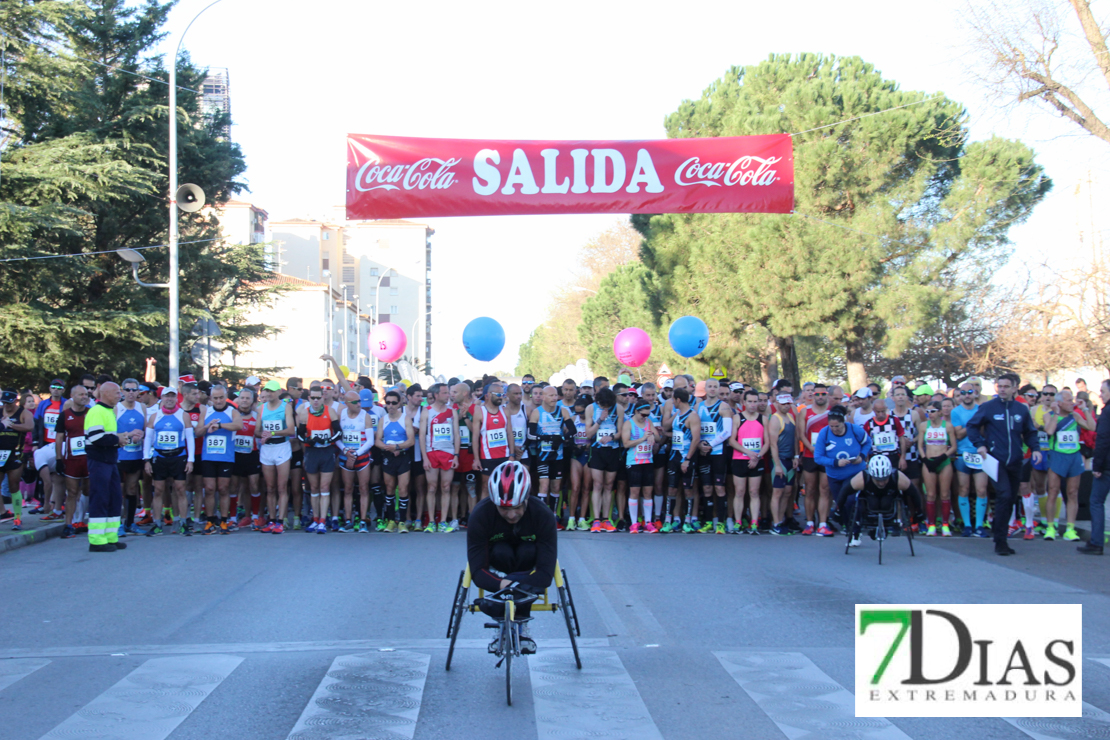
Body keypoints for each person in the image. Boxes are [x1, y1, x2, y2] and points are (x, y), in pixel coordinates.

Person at [466, 460, 556, 655]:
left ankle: (520, 623)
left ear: (526, 498)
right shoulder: (481, 515)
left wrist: (514, 588)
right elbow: (477, 570)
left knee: (527, 550)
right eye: (504, 508)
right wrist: (507, 586)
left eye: (516, 507)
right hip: (498, 564)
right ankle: (502, 622)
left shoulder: (543, 515)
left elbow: (546, 573)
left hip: (528, 563)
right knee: (501, 550)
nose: (512, 514)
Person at [967, 372, 1043, 556]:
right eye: (999, 386)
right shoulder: (989, 407)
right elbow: (972, 426)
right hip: (996, 460)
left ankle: (1001, 535)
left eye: (1006, 386)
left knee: (1010, 499)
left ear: (1015, 388)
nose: (1002, 389)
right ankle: (1000, 541)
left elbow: (1030, 432)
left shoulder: (1021, 409)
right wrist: (980, 444)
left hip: (1015, 461)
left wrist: (1036, 449)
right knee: (1004, 495)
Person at [82, 382, 130, 552]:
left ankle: (110, 537)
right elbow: (96, 437)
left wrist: (118, 439)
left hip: (109, 460)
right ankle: (96, 540)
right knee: (100, 497)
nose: (120, 396)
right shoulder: (96, 411)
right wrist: (117, 440)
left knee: (114, 498)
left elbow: (106, 436)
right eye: (117, 393)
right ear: (106, 394)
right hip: (99, 461)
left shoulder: (108, 411)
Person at [1043, 388, 1094, 542]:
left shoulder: (1075, 415)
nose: (1072, 403)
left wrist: (1085, 409)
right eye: (1068, 400)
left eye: (1072, 400)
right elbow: (1050, 431)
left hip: (1073, 456)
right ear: (1059, 403)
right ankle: (1051, 527)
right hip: (1057, 456)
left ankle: (1070, 529)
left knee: (1073, 492)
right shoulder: (1049, 415)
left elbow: (1092, 427)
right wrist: (1056, 413)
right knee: (1053, 491)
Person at [143, 387, 195, 536]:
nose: (170, 399)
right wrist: (146, 459)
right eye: (167, 396)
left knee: (180, 489)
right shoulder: (155, 416)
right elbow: (148, 439)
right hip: (160, 457)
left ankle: (183, 523)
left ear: (176, 398)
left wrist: (190, 460)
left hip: (178, 456)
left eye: (172, 396)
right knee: (158, 490)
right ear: (162, 399)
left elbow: (190, 438)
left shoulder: (183, 416)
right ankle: (157, 524)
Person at [844, 455, 924, 548]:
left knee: (887, 501)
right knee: (865, 501)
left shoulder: (898, 477)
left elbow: (914, 494)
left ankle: (888, 524)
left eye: (884, 479)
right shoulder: (862, 477)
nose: (881, 483)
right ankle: (867, 527)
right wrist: (838, 510)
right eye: (878, 480)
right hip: (870, 499)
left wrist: (918, 512)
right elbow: (844, 493)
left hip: (889, 498)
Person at [816, 405, 871, 537]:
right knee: (840, 502)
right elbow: (818, 457)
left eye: (838, 426)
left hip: (854, 473)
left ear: (843, 423)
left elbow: (867, 442)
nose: (834, 429)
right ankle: (847, 525)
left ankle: (855, 528)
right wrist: (835, 462)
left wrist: (862, 456)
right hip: (834, 475)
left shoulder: (855, 429)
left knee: (851, 500)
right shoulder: (824, 433)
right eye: (832, 426)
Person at [199, 384, 244, 535]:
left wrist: (219, 425)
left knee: (224, 488)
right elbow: (197, 432)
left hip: (226, 457)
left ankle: (224, 520)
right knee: (210, 489)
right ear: (210, 398)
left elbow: (239, 425)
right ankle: (210, 520)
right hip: (209, 457)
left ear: (225, 397)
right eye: (215, 398)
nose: (218, 401)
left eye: (221, 398)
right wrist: (207, 426)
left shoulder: (232, 411)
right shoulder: (206, 411)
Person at [296, 386, 341, 533]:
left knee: (324, 487)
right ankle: (315, 519)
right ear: (309, 398)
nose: (315, 401)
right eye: (313, 398)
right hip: (312, 453)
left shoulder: (330, 411)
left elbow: (338, 432)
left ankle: (323, 520)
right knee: (314, 487)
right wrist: (309, 440)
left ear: (323, 398)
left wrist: (327, 440)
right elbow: (300, 435)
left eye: (318, 398)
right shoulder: (304, 413)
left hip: (327, 452)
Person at [950, 382, 990, 538]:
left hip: (980, 454)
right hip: (963, 454)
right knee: (963, 489)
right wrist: (974, 422)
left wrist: (975, 423)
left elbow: (985, 432)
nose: (967, 395)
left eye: (970, 392)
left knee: (981, 489)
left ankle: (979, 525)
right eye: (964, 392)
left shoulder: (982, 410)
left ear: (975, 393)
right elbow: (959, 434)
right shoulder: (956, 412)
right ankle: (967, 525)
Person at [419, 383, 460, 533]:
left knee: (446, 487)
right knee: (431, 487)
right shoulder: (427, 411)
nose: (447, 395)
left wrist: (456, 455)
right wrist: (425, 457)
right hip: (432, 452)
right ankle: (431, 521)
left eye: (448, 392)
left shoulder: (452, 412)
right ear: (436, 395)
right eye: (444, 393)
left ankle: (443, 521)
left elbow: (457, 435)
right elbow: (422, 436)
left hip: (448, 453)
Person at [257, 380, 296, 534]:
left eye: (272, 391)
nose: (269, 393)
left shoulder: (286, 407)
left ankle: (281, 521)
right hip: (267, 449)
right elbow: (256, 431)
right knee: (270, 488)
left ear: (279, 392)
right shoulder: (261, 408)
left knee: (281, 487)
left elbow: (291, 430)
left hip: (282, 447)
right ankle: (272, 520)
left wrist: (272, 433)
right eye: (267, 391)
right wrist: (264, 435)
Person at [529, 385, 574, 516]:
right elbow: (530, 434)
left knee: (556, 487)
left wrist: (561, 439)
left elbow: (573, 431)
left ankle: (553, 515)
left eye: (555, 395)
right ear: (543, 397)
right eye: (551, 395)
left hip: (558, 455)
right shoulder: (537, 412)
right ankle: (542, 516)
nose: (554, 398)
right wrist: (547, 438)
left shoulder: (563, 411)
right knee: (544, 484)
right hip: (543, 456)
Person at [696, 379, 734, 534]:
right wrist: (699, 444)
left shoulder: (724, 407)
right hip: (702, 452)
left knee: (719, 487)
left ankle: (721, 522)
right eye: (710, 386)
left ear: (719, 389)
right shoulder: (698, 407)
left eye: (715, 387)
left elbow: (727, 432)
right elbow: (694, 429)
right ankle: (707, 521)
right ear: (705, 389)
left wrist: (710, 445)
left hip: (717, 452)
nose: (712, 389)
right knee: (706, 488)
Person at [729, 389, 768, 535]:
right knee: (739, 492)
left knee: (754, 492)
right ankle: (738, 522)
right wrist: (749, 453)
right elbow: (732, 440)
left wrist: (757, 457)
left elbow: (767, 443)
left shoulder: (763, 419)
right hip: (740, 459)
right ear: (744, 402)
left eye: (755, 401)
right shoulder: (737, 418)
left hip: (757, 460)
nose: (753, 405)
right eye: (750, 402)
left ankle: (754, 523)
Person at [376, 389, 416, 532]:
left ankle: (403, 522)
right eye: (388, 403)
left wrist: (398, 447)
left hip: (403, 456)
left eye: (394, 403)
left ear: (399, 403)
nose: (391, 405)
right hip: (389, 457)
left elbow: (411, 441)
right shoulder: (383, 420)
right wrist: (389, 448)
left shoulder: (405, 419)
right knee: (389, 488)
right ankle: (391, 520)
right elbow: (377, 441)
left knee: (404, 488)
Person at [663, 387, 701, 533]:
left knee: (688, 490)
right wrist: (664, 433)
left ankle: (688, 521)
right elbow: (676, 433)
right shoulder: (678, 414)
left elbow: (695, 438)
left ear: (678, 399)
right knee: (671, 488)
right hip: (674, 455)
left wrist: (688, 459)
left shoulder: (693, 416)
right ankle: (668, 520)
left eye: (673, 399)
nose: (672, 402)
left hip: (687, 456)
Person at [1079, 379, 1110, 554]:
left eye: (1103, 391)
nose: (1101, 394)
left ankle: (1096, 542)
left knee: (1096, 502)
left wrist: (1097, 465)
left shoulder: (1106, 413)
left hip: (1106, 466)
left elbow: (1103, 439)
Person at [55, 385, 90, 539]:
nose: (84, 396)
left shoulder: (91, 413)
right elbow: (59, 438)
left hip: (89, 459)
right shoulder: (65, 415)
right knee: (72, 492)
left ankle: (85, 521)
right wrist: (58, 459)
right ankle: (68, 525)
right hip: (72, 460)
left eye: (86, 394)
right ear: (72, 396)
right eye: (80, 394)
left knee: (89, 491)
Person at [917, 401, 957, 536]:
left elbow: (954, 447)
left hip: (944, 462)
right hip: (929, 462)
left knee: (945, 494)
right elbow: (920, 445)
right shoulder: (924, 426)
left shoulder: (948, 426)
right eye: (928, 412)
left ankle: (945, 524)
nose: (930, 414)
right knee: (931, 494)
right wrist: (925, 459)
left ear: (940, 412)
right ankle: (932, 525)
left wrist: (943, 457)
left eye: (933, 411)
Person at [796, 383, 831, 535]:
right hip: (810, 455)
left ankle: (823, 523)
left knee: (824, 489)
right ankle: (810, 523)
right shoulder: (805, 412)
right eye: (817, 394)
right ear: (812, 395)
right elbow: (801, 434)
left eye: (823, 394)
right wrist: (810, 448)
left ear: (827, 395)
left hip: (827, 456)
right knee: (809, 489)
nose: (820, 397)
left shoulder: (832, 412)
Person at [584, 387, 621, 532]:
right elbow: (588, 433)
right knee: (598, 484)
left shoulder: (618, 409)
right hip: (597, 450)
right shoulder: (590, 408)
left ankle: (606, 518)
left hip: (613, 450)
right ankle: (596, 520)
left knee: (609, 485)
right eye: (603, 406)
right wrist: (600, 420)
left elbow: (621, 432)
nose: (606, 408)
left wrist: (611, 437)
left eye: (608, 406)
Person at [115, 379, 148, 536]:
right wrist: (128, 435)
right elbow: (110, 433)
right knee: (119, 489)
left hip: (136, 454)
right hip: (120, 455)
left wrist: (141, 435)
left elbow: (147, 431)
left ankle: (130, 523)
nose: (130, 393)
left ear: (138, 392)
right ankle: (118, 524)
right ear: (122, 392)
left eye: (134, 390)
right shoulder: (116, 408)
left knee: (132, 488)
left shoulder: (142, 408)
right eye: (127, 390)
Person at [621, 400, 657, 533]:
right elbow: (626, 443)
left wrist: (653, 434)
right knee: (635, 492)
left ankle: (648, 522)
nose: (645, 417)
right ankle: (634, 523)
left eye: (647, 415)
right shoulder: (628, 424)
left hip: (647, 461)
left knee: (648, 492)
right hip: (634, 462)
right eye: (643, 415)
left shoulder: (648, 423)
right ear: (636, 411)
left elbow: (658, 437)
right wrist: (643, 438)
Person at [0, 390, 34, 530]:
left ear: (16, 401)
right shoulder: (0, 411)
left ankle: (18, 517)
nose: (7, 406)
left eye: (10, 403)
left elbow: (30, 426)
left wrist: (11, 425)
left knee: (14, 485)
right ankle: (3, 512)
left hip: (15, 453)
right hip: (1, 453)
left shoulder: (23, 413)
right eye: (4, 403)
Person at [231, 388, 263, 531]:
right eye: (242, 398)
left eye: (247, 398)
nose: (244, 401)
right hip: (235, 455)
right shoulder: (232, 415)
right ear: (238, 400)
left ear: (252, 401)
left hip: (252, 454)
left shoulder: (257, 416)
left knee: (254, 485)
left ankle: (256, 517)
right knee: (235, 486)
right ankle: (234, 518)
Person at [767, 392, 796, 536]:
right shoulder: (775, 419)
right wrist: (777, 464)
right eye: (783, 404)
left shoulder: (790, 417)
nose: (786, 406)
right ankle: (775, 523)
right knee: (777, 492)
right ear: (777, 404)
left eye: (788, 404)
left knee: (788, 492)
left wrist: (796, 456)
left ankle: (781, 520)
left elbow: (795, 438)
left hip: (790, 460)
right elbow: (773, 444)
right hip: (780, 460)